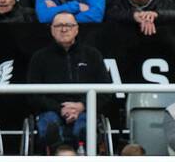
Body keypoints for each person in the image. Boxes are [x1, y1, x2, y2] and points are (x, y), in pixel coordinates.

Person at [24, 11, 110, 151]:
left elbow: (106, 91)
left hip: (85, 111)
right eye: (59, 26)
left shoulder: (92, 55)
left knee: (84, 127)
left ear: (76, 29)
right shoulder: (39, 57)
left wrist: (81, 106)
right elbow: (32, 95)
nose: (64, 29)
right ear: (52, 30)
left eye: (68, 25)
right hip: (50, 111)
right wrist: (60, 109)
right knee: (50, 126)